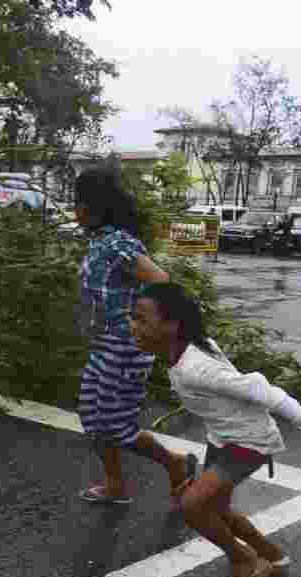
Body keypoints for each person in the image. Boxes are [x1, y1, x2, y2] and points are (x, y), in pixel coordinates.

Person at [130, 281, 301, 577]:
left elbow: (258, 388)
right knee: (216, 509)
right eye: (133, 317)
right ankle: (272, 555)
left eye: (141, 319)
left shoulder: (197, 367)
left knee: (193, 505)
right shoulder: (183, 351)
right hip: (224, 437)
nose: (133, 326)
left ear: (172, 325)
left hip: (248, 441)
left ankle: (243, 560)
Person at [74, 166, 197, 506]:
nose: (75, 210)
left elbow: (160, 279)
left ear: (95, 207)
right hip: (103, 344)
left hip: (125, 347)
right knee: (92, 417)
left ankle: (176, 464)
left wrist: (142, 321)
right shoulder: (99, 241)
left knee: (115, 424)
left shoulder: (118, 243)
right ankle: (115, 485)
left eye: (79, 203)